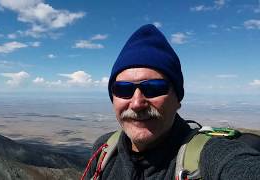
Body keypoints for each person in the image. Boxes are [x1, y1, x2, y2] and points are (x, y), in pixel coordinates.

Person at [83, 24, 260, 180]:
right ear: (113, 98)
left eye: (154, 88)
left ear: (178, 99)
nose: (137, 103)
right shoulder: (104, 149)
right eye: (123, 89)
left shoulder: (210, 156)